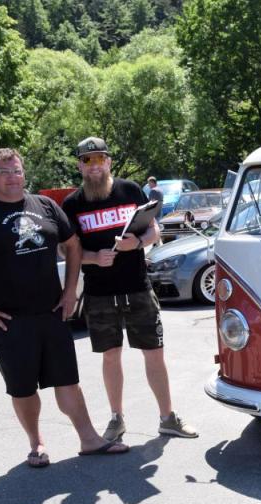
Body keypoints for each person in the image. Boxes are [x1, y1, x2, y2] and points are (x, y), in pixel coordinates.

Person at [0, 148, 128, 468]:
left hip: (52, 313)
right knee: (23, 388)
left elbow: (72, 245)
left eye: (17, 170)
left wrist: (70, 290)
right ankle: (36, 444)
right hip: (9, 321)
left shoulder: (45, 206)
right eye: (4, 172)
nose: (12, 177)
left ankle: (89, 439)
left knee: (68, 380)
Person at [62, 137, 198, 441]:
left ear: (109, 161)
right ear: (80, 166)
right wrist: (94, 257)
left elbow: (154, 230)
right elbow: (66, 251)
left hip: (137, 287)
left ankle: (167, 417)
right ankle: (116, 419)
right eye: (88, 161)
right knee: (110, 356)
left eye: (100, 159)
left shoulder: (130, 190)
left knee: (154, 354)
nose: (95, 166)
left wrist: (136, 242)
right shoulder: (72, 204)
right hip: (98, 293)